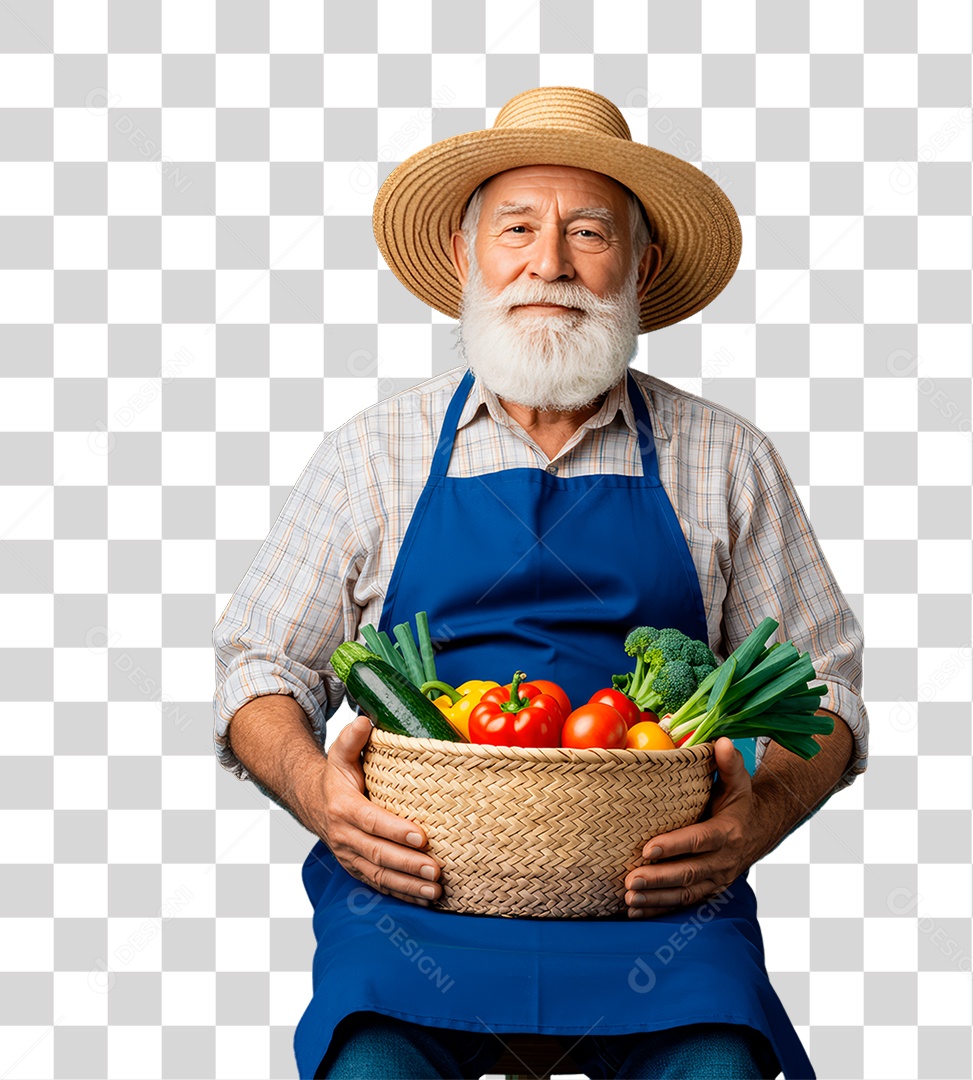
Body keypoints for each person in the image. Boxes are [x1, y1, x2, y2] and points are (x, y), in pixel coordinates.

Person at [213, 87, 869, 1080]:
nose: (549, 263)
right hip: (412, 903)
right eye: (517, 227)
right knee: (371, 1068)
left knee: (718, 1067)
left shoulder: (725, 458)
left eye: (589, 233)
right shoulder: (372, 458)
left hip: (656, 907)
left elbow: (826, 685)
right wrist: (318, 793)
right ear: (463, 257)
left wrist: (754, 821)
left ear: (640, 266)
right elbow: (257, 660)